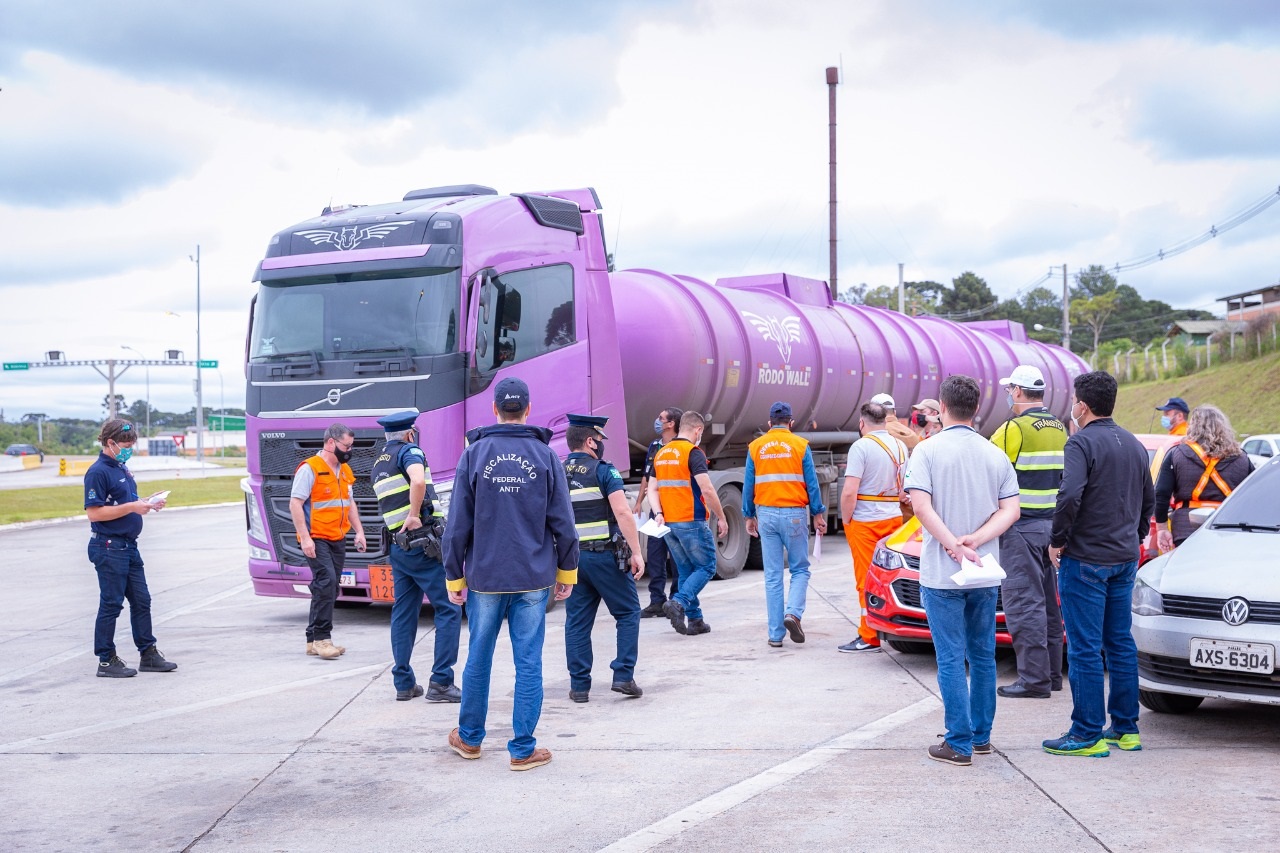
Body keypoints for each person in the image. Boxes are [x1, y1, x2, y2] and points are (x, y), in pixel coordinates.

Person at [443, 377, 579, 771]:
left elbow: (457, 524)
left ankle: (469, 739)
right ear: (529, 410)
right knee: (529, 661)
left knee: (479, 658)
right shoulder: (545, 455)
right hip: (533, 577)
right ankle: (522, 749)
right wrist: (567, 571)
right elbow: (564, 523)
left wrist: (455, 576)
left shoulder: (475, 454)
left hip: (484, 577)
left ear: (495, 410)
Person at [905, 375, 1021, 766]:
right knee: (983, 656)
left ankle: (958, 742)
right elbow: (1011, 510)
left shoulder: (927, 451)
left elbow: (921, 507)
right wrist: (975, 540)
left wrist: (953, 545)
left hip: (942, 573)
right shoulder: (994, 454)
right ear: (977, 409)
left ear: (941, 406)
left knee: (952, 658)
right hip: (984, 571)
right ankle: (981, 736)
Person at [1046, 371, 1155, 757]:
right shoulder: (1133, 443)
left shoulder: (1080, 443)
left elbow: (1069, 494)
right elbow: (1148, 498)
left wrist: (1057, 540)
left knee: (1084, 647)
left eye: (1074, 401)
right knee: (1120, 642)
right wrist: (1136, 536)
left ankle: (1086, 733)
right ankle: (1125, 729)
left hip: (1086, 558)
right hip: (1124, 557)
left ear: (1083, 406)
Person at [371, 409, 462, 703]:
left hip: (400, 548)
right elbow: (418, 482)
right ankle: (441, 682)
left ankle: (403, 683)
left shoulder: (379, 462)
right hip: (423, 545)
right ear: (410, 433)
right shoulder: (410, 452)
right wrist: (413, 515)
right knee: (449, 609)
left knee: (404, 612)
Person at [990, 365, 1067, 699]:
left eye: (1010, 390)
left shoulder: (1012, 428)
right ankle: (1050, 675)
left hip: (1021, 527)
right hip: (1053, 527)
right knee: (1049, 604)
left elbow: (988, 469)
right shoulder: (1059, 427)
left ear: (1018, 392)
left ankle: (1033, 680)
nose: (1008, 395)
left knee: (1024, 603)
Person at [84, 418, 178, 678]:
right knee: (112, 603)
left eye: (132, 444)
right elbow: (95, 513)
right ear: (110, 442)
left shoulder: (121, 467)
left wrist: (146, 502)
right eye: (125, 444)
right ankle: (105, 660)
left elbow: (123, 501)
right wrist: (133, 508)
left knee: (142, 600)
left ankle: (148, 653)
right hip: (109, 546)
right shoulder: (98, 471)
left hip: (128, 546)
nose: (129, 449)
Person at [563, 414, 646, 702]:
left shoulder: (558, 472)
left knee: (577, 622)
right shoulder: (604, 471)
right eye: (599, 440)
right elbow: (623, 512)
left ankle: (579, 686)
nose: (601, 445)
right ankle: (623, 675)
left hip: (573, 561)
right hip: (605, 557)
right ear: (589, 441)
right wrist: (636, 552)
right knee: (627, 613)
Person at [743, 401, 828, 648]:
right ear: (791, 423)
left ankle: (775, 635)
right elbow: (811, 484)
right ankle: (793, 613)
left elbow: (749, 484)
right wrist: (818, 513)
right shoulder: (800, 445)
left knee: (772, 576)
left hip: (766, 514)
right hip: (794, 515)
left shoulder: (755, 446)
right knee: (800, 569)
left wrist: (749, 515)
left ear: (769, 423)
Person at [648, 411, 729, 636]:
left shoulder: (661, 453)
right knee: (706, 567)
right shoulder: (693, 453)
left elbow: (652, 489)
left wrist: (658, 513)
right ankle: (679, 601)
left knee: (685, 570)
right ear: (698, 430)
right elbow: (707, 488)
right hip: (690, 520)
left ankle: (695, 620)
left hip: (668, 523)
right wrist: (721, 517)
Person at [290, 423, 365, 660]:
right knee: (326, 581)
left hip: (338, 536)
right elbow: (295, 503)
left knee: (329, 586)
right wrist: (305, 538)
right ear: (331, 442)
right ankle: (323, 639)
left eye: (351, 446)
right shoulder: (310, 468)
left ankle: (312, 639)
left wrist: (359, 532)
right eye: (346, 445)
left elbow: (349, 503)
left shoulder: (344, 470)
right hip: (316, 537)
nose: (349, 450)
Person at [837, 401, 908, 652]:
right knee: (888, 577)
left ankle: (869, 636)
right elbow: (904, 489)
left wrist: (846, 520)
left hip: (866, 521)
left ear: (862, 423)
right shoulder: (900, 446)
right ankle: (889, 626)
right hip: (893, 518)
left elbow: (849, 492)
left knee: (866, 580)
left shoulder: (861, 447)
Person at [1154, 405, 1253, 550]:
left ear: (1193, 426)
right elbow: (1253, 496)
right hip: (1229, 528)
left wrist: (1162, 528)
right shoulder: (1242, 458)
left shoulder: (1177, 454)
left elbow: (1161, 494)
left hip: (1186, 530)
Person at [633, 406, 682, 617]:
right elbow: (647, 475)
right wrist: (638, 501)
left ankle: (676, 600)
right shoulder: (654, 446)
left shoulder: (683, 446)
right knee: (655, 555)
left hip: (678, 509)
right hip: (656, 509)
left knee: (679, 557)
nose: (657, 421)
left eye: (661, 418)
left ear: (671, 424)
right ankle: (656, 600)